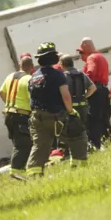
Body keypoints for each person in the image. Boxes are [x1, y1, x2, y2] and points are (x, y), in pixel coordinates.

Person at [26, 42, 85, 176]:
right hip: (55, 116)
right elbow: (65, 95)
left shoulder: (34, 77)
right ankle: (79, 166)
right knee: (78, 136)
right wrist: (71, 112)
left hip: (36, 117)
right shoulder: (58, 74)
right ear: (53, 58)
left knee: (40, 145)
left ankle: (33, 174)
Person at [0, 53, 35, 177]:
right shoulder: (29, 79)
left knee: (17, 142)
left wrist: (9, 104)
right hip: (21, 115)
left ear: (19, 65)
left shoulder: (10, 76)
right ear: (32, 66)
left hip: (8, 114)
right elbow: (33, 99)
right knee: (24, 143)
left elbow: (1, 92)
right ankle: (17, 171)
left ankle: (19, 170)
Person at [78, 37, 111, 149]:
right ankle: (108, 142)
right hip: (104, 90)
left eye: (81, 52)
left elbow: (90, 73)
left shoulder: (91, 58)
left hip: (95, 92)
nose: (80, 56)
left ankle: (95, 145)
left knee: (93, 119)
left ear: (86, 48)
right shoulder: (101, 57)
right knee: (104, 117)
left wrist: (81, 86)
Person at [60, 54, 94, 159]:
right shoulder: (81, 74)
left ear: (62, 64)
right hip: (83, 107)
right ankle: (85, 151)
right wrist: (84, 97)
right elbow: (92, 88)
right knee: (83, 130)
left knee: (69, 132)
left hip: (70, 109)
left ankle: (69, 154)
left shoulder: (63, 77)